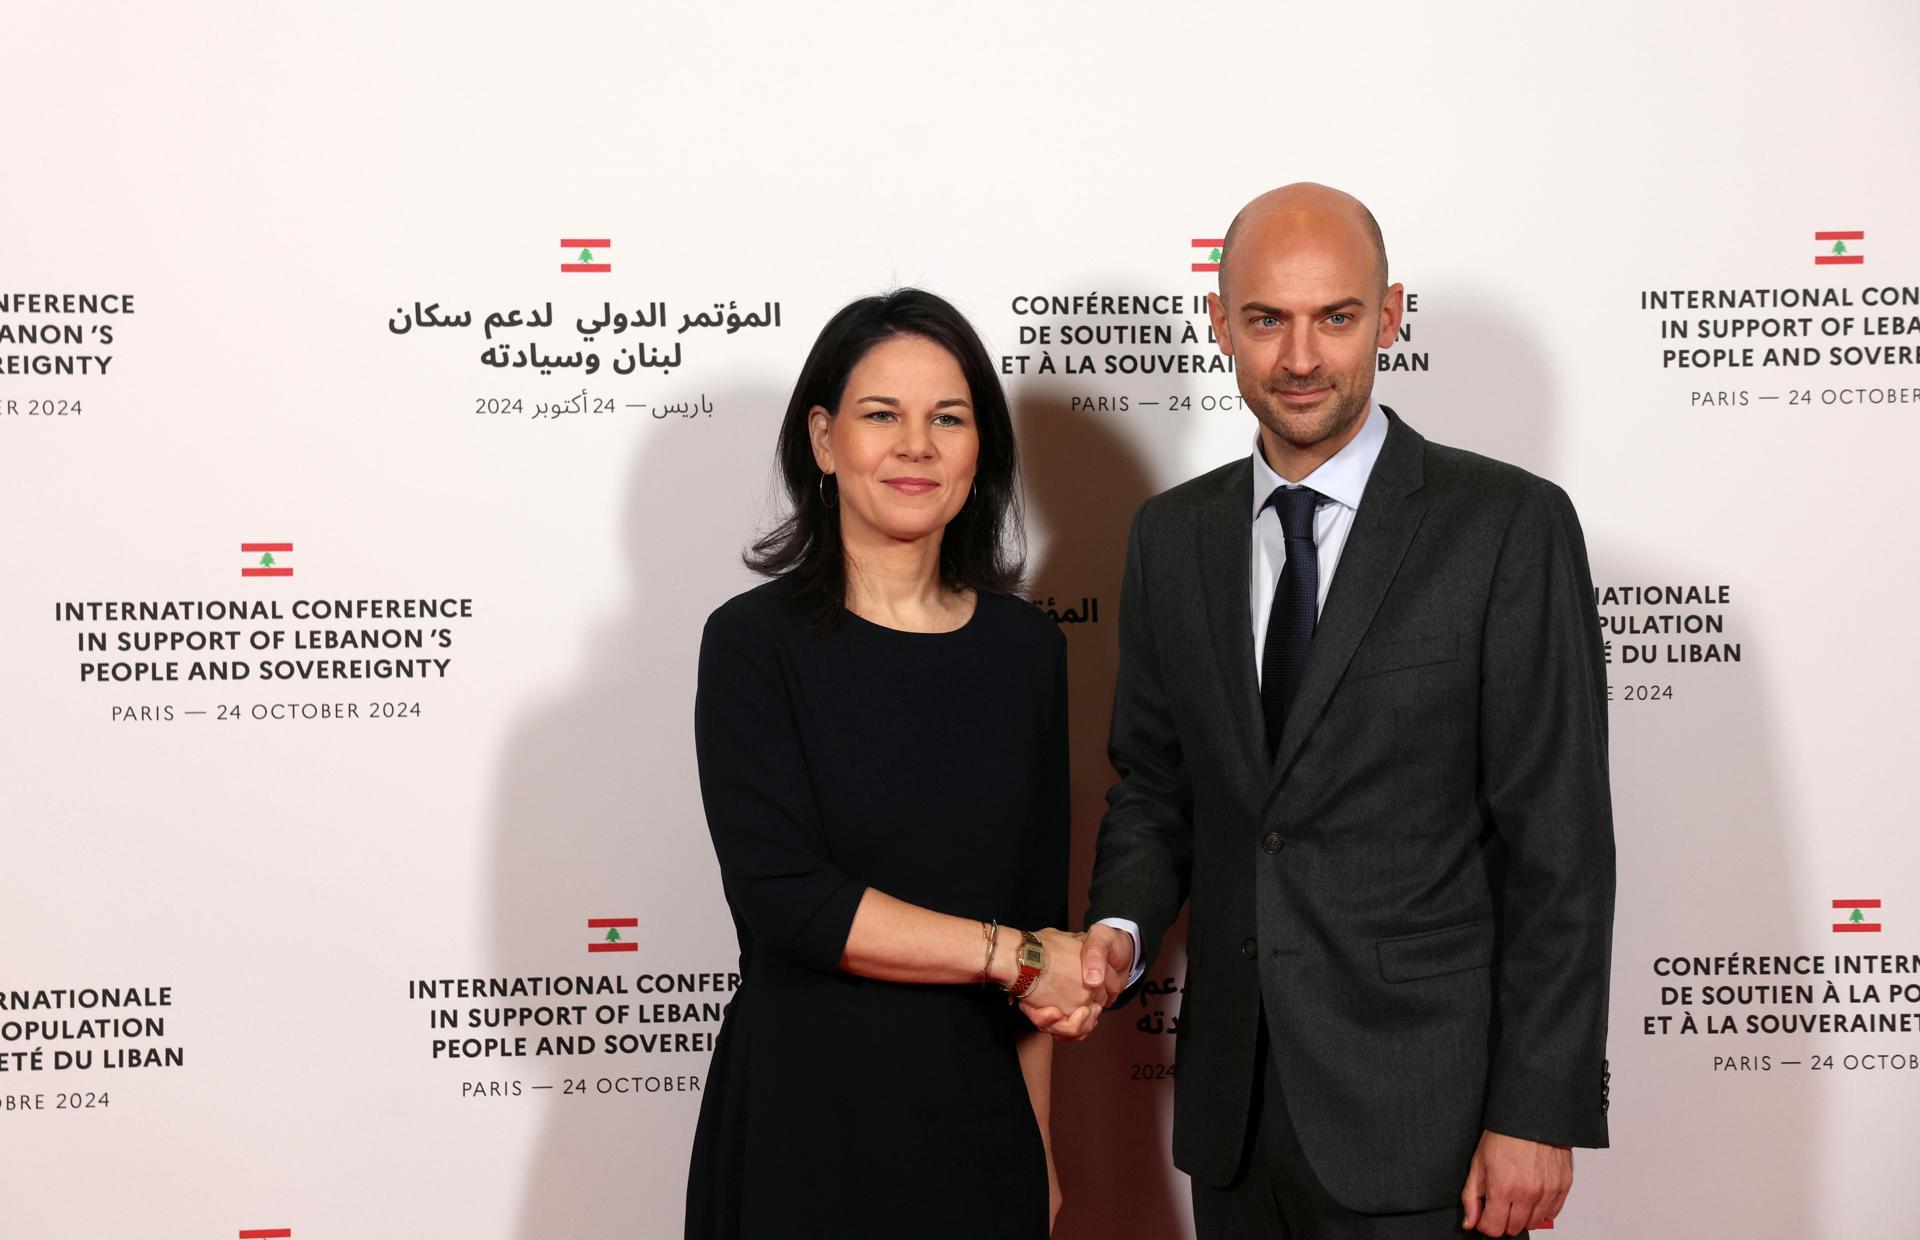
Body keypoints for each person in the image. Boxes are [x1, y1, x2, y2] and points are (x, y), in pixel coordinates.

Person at [1056, 185, 1615, 1239]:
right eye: (1267, 319)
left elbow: (1561, 842)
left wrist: (1536, 1108)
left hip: (1432, 1125)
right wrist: (1121, 931)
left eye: (1337, 317)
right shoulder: (1170, 539)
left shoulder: (1506, 526)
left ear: (1393, 314)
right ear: (1220, 325)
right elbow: (1157, 784)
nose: (1301, 357)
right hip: (1233, 1118)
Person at [684, 288, 1100, 1239]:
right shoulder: (754, 644)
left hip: (977, 1124)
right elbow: (788, 898)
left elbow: (1042, 904)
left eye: (947, 419)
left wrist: (1039, 1145)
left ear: (979, 449)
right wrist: (1018, 955)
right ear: (825, 442)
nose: (917, 446)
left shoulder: (1026, 650)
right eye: (883, 416)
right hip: (805, 1127)